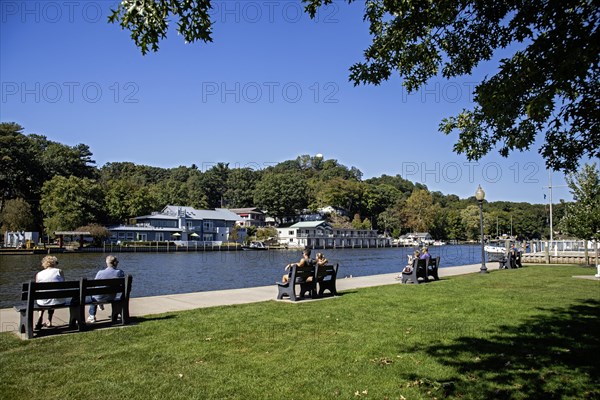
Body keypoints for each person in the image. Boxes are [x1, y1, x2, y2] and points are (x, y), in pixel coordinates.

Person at [87, 255, 125, 323]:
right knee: (103, 291)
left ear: (107, 263)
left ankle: (91, 316)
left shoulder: (100, 273)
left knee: (93, 294)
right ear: (116, 263)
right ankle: (100, 304)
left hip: (99, 297)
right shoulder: (120, 272)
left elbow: (94, 285)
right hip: (112, 296)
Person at [35, 255, 65, 329]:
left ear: (44, 264)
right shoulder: (59, 271)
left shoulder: (39, 274)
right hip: (58, 301)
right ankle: (49, 321)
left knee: (43, 297)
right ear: (54, 263)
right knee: (54, 295)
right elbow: (63, 284)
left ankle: (40, 317)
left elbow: (37, 289)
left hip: (43, 302)